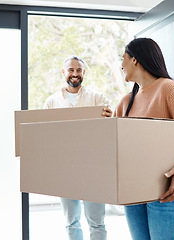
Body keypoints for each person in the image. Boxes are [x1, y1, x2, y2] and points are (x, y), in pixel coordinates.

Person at [113, 38, 174, 240]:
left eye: (122, 58)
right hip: (134, 195)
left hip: (166, 195)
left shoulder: (168, 89)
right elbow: (113, 144)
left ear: (134, 60)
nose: (120, 65)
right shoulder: (125, 102)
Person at [44, 56, 112, 240]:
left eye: (79, 70)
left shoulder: (98, 98)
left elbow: (109, 130)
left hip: (94, 168)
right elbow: (46, 138)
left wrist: (110, 118)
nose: (75, 74)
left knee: (97, 222)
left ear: (84, 72)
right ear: (63, 72)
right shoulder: (51, 102)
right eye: (71, 70)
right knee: (71, 222)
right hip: (65, 169)